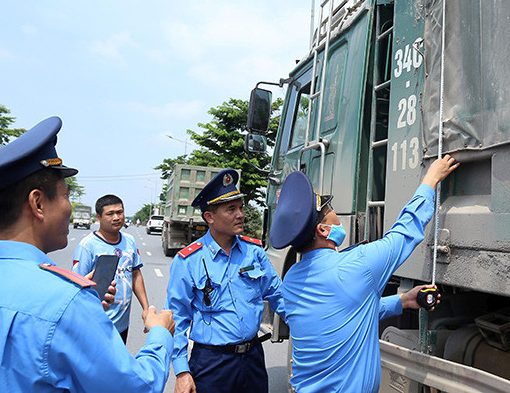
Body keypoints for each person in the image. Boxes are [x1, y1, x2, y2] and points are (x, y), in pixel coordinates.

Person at [0, 116, 176, 392]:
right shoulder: (67, 302)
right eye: (66, 195)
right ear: (38, 203)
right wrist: (160, 333)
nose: (69, 207)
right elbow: (137, 387)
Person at [270, 155, 459, 393]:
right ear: (323, 230)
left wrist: (402, 301)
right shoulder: (357, 266)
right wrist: (431, 179)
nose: (337, 216)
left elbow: (345, 314)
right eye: (331, 211)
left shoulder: (293, 280)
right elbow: (405, 232)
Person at [165, 169, 286, 393]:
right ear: (209, 217)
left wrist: (311, 322)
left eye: (240, 207)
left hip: (252, 360)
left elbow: (278, 295)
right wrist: (182, 372)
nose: (240, 214)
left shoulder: (254, 252)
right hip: (212, 364)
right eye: (231, 209)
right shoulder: (189, 261)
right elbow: (177, 319)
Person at [72, 194, 148, 344]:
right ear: (98, 217)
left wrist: (145, 307)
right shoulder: (87, 246)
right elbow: (77, 285)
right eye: (110, 214)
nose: (116, 217)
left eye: (120, 212)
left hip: (122, 326)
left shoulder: (130, 241)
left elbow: (135, 274)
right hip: (97, 325)